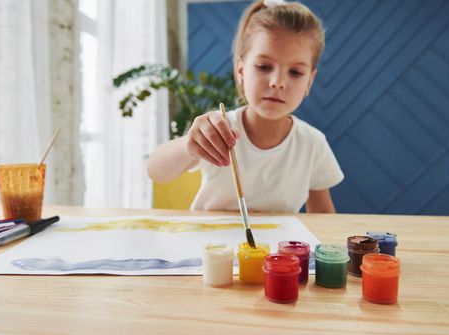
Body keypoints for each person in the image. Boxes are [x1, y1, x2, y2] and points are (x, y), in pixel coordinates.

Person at [147, 0, 344, 213]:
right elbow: (155, 171)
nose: (277, 81)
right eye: (263, 67)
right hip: (210, 244)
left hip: (274, 247)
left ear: (309, 81)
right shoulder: (218, 131)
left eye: (295, 72)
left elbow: (325, 221)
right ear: (241, 70)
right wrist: (189, 144)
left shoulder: (312, 144)